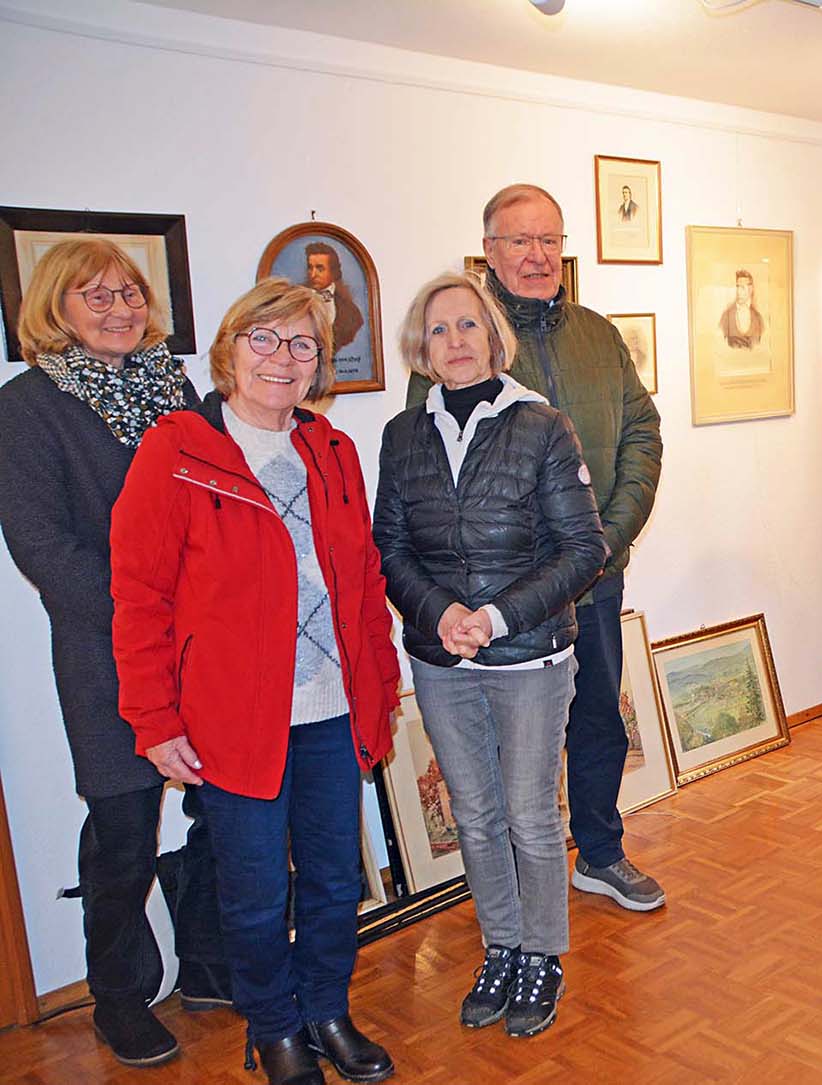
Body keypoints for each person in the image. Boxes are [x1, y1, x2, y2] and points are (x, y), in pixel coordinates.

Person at [110, 279, 401, 1085]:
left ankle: (327, 1012)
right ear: (230, 349)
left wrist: (380, 692)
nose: (282, 358)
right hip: (233, 720)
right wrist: (154, 719)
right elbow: (138, 597)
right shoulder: (177, 452)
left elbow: (362, 583)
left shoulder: (332, 451)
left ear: (319, 364)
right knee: (255, 890)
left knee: (336, 879)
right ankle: (274, 1029)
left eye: (302, 344)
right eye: (263, 339)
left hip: (332, 710)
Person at [405, 183, 665, 911]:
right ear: (489, 251)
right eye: (519, 241)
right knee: (509, 739)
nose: (537, 255)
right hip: (504, 599)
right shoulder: (461, 342)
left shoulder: (597, 335)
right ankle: (512, 877)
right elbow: (428, 473)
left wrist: (604, 542)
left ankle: (600, 853)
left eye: (549, 240)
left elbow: (643, 436)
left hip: (595, 577)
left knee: (597, 718)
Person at [0, 239, 227, 1068]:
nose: (120, 309)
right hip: (106, 651)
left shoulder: (177, 391)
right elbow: (41, 546)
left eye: (129, 292)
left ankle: (207, 965)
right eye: (95, 295)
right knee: (124, 831)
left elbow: (219, 504)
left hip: (203, 645)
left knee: (219, 813)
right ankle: (118, 997)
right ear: (53, 307)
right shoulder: (26, 406)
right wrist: (147, 611)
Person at [375, 272, 605, 1035]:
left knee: (530, 814)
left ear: (493, 336)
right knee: (474, 814)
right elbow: (390, 546)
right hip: (442, 660)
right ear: (421, 346)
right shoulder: (402, 436)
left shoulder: (542, 425)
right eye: (438, 329)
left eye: (467, 325)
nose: (454, 342)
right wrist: (441, 613)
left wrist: (496, 616)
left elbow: (583, 549)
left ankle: (543, 953)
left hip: (530, 657)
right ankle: (501, 944)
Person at [304, 242, 363, 351]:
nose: (313, 275)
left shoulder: (351, 311)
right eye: (310, 268)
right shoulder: (296, 301)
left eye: (320, 269)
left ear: (333, 271)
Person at [719, 269, 766, 350]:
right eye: (737, 287)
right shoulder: (726, 315)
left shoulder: (758, 318)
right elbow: (721, 346)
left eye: (742, 288)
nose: (738, 292)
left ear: (750, 290)